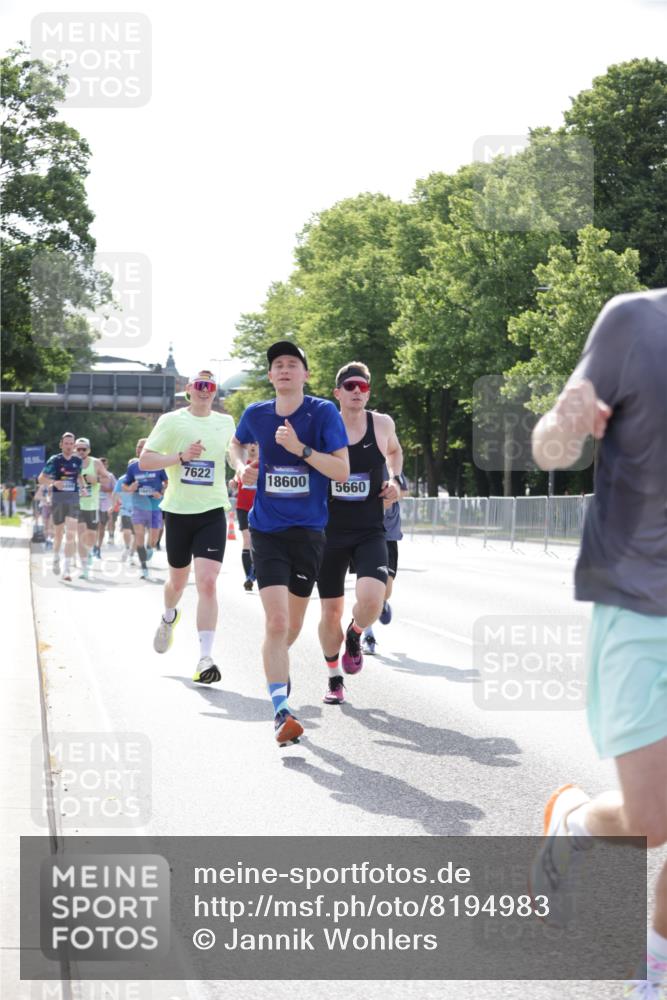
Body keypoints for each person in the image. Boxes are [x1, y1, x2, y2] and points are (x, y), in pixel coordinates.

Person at [529, 289, 667, 997]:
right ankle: (577, 821)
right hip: (640, 602)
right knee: (650, 823)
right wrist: (566, 420)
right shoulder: (635, 321)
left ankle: (651, 978)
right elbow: (548, 445)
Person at [229, 341, 349, 746]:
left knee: (292, 626)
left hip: (309, 532)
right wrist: (241, 465)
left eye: (292, 364)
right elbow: (236, 443)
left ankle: (276, 664)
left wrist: (302, 450)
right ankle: (280, 710)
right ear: (269, 375)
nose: (284, 369)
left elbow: (342, 471)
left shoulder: (323, 412)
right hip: (267, 530)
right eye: (277, 365)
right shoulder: (256, 414)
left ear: (305, 374)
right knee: (277, 622)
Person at [316, 362, 404, 704]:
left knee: (372, 599)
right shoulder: (322, 425)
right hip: (328, 530)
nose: (357, 391)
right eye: (350, 386)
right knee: (329, 612)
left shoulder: (381, 424)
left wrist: (395, 480)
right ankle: (334, 678)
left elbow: (394, 452)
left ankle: (355, 634)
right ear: (337, 392)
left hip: (370, 527)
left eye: (363, 387)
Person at [140, 370, 235, 683]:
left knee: (207, 582)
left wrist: (243, 466)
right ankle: (169, 617)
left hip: (212, 510)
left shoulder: (226, 422)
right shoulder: (171, 420)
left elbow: (234, 453)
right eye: (200, 385)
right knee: (177, 583)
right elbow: (146, 461)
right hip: (178, 511)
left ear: (215, 392)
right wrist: (180, 457)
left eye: (211, 386)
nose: (206, 390)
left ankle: (205, 658)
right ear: (189, 391)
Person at [361, 465, 408, 655]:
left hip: (389, 537)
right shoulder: (358, 462)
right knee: (367, 591)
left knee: (385, 591)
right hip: (366, 536)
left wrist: (393, 490)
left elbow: (403, 490)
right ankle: (368, 635)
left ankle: (382, 604)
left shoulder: (391, 466)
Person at [38, 432, 86, 581]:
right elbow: (41, 478)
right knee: (58, 535)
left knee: (71, 534)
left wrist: (83, 487)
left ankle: (66, 570)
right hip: (58, 499)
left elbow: (79, 476)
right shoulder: (55, 460)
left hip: (73, 499)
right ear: (61, 444)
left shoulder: (78, 460)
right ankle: (56, 556)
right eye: (66, 443)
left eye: (72, 444)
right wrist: (53, 484)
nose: (69, 446)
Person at [123, 438, 168, 580]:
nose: (139, 449)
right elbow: (125, 485)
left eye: (143, 447)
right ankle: (143, 567)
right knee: (139, 535)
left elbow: (167, 482)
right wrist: (131, 488)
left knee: (154, 538)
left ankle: (149, 548)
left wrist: (160, 492)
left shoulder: (159, 466)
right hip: (139, 505)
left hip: (155, 506)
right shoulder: (133, 467)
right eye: (138, 447)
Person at [75, 437, 109, 581]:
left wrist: (96, 480)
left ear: (89, 450)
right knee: (80, 535)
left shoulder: (96, 463)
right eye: (78, 448)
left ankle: (89, 552)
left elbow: (107, 479)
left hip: (92, 505)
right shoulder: (71, 462)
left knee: (91, 536)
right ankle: (84, 568)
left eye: (84, 449)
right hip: (76, 505)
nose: (81, 451)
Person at [232, 441, 259, 590]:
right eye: (250, 444)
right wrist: (233, 483)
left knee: (257, 542)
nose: (253, 446)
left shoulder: (264, 464)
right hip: (243, 507)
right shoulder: (241, 465)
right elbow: (236, 480)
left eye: (255, 443)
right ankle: (248, 577)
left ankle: (254, 574)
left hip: (260, 508)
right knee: (247, 539)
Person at [94, 458, 117, 556]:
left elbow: (116, 489)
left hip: (106, 505)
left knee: (102, 527)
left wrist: (106, 489)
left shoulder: (110, 476)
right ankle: (94, 546)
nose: (102, 466)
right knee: (93, 527)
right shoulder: (91, 475)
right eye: (100, 464)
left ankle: (98, 546)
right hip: (93, 505)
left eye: (104, 464)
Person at [113, 467, 135, 562]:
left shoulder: (143, 478)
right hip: (125, 509)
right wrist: (114, 505)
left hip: (140, 510)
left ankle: (132, 553)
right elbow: (115, 493)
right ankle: (127, 547)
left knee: (137, 534)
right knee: (127, 531)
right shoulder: (122, 479)